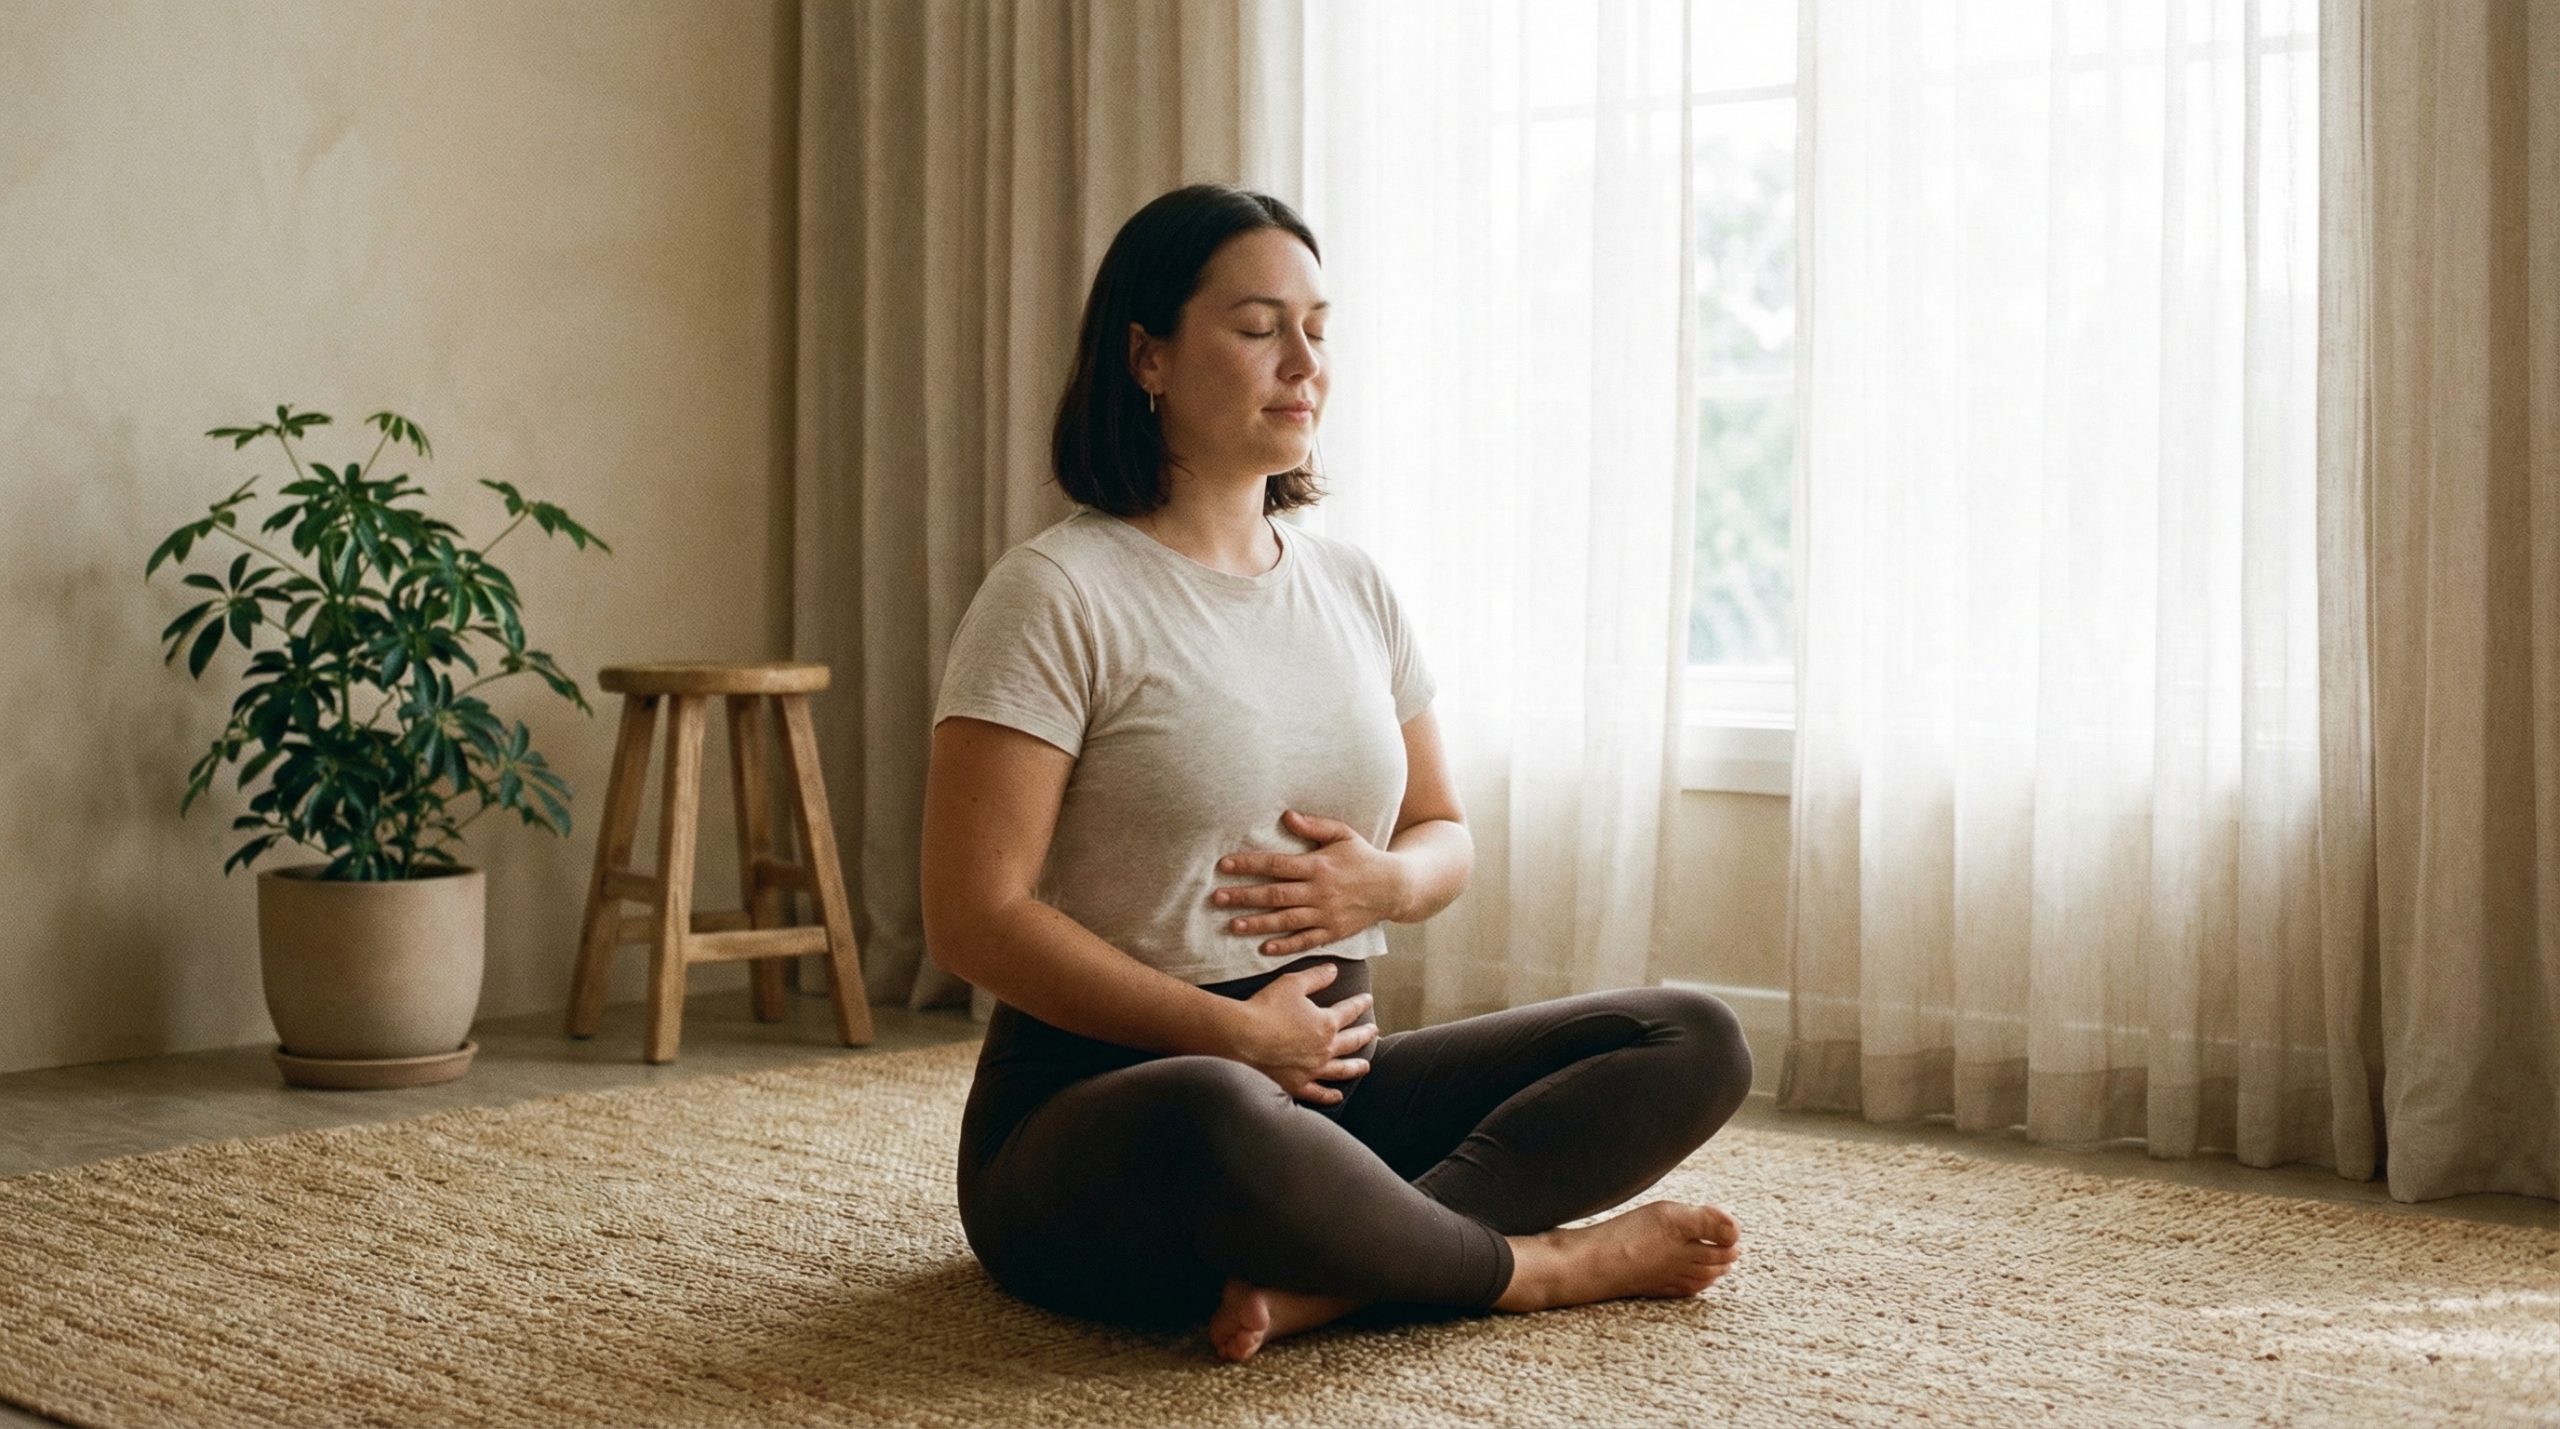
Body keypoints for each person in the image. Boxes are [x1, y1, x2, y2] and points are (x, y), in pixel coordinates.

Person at [919, 182, 1754, 1363]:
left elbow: (1441, 827)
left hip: (1332, 1095)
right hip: (1111, 1118)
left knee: (1690, 1035)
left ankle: (1350, 1267)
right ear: (1146, 357)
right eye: (1259, 328)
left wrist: (1390, 888)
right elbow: (973, 916)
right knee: (1215, 1108)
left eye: (1319, 328)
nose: (1303, 360)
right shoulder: (1056, 593)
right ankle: (1535, 1267)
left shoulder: (1351, 586)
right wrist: (1232, 1037)